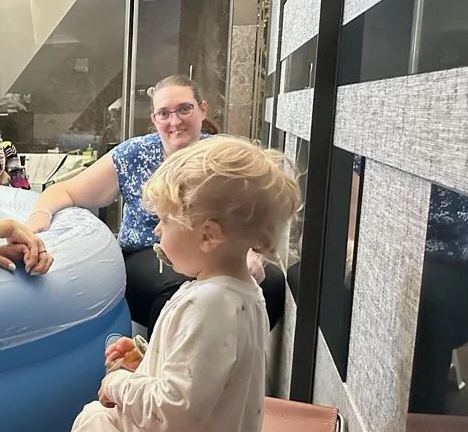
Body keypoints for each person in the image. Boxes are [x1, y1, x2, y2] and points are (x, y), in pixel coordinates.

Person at [0, 136, 300, 432]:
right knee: (91, 417)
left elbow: (176, 408)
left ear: (208, 235)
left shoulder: (208, 306)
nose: (155, 231)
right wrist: (144, 359)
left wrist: (120, 383)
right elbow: (207, 374)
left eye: (163, 221)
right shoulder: (240, 291)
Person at [24, 75, 286, 335]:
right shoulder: (134, 154)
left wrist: (251, 252)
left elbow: (252, 212)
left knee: (269, 282)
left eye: (184, 109)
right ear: (154, 119)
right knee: (179, 289)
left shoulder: (223, 156)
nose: (175, 121)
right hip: (146, 254)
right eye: (164, 113)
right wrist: (40, 215)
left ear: (202, 109)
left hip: (211, 251)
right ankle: (161, 368)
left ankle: (236, 359)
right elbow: (66, 190)